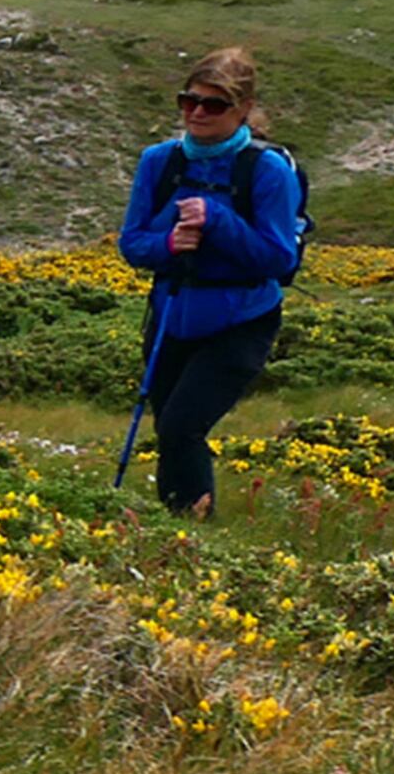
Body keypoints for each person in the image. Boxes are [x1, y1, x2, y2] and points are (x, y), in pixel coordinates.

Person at [115, 47, 306, 517]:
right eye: (189, 101)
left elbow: (280, 259)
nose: (197, 112)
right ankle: (180, 529)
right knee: (170, 428)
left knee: (182, 425)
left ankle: (192, 531)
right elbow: (132, 242)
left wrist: (217, 220)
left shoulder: (268, 170)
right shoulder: (158, 162)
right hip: (171, 314)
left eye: (214, 104)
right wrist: (169, 247)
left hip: (242, 319)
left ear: (243, 110)